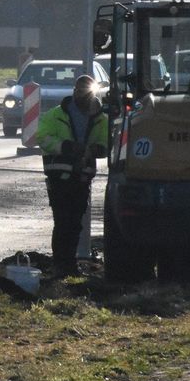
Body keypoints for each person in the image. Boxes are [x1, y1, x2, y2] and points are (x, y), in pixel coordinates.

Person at [36, 74, 108, 277]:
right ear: (73, 91)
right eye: (77, 91)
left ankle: (68, 265)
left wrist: (94, 151)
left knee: (75, 222)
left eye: (84, 91)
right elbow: (43, 137)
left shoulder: (101, 119)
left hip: (81, 177)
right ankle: (61, 264)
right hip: (59, 177)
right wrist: (67, 147)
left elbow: (106, 144)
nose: (80, 95)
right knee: (62, 221)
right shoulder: (56, 115)